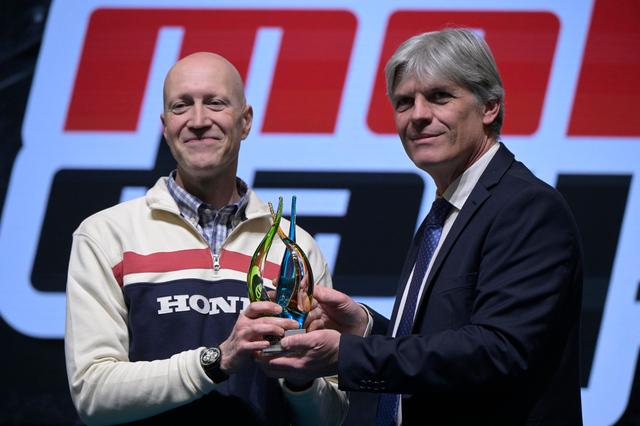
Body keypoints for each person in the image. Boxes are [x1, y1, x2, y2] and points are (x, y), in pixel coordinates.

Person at [262, 28, 584, 425]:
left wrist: (347, 354)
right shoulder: (446, 212)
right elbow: (439, 341)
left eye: (439, 96)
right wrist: (364, 330)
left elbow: (498, 350)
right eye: (404, 102)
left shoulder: (526, 207)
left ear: (490, 107)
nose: (417, 115)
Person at [64, 52, 347, 425]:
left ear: (245, 121)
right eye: (181, 106)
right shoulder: (107, 235)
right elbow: (93, 394)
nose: (198, 121)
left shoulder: (294, 249)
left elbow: (330, 418)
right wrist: (218, 360)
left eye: (215, 103)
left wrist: (300, 380)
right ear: (165, 126)